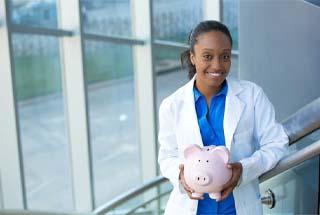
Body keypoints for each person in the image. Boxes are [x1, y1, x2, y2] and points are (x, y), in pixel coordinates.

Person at [158, 20, 288, 215]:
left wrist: (243, 169)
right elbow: (167, 156)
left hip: (237, 208)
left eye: (225, 56)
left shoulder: (252, 95)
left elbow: (277, 143)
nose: (217, 65)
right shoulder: (172, 105)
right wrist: (181, 176)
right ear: (193, 57)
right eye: (207, 56)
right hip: (188, 208)